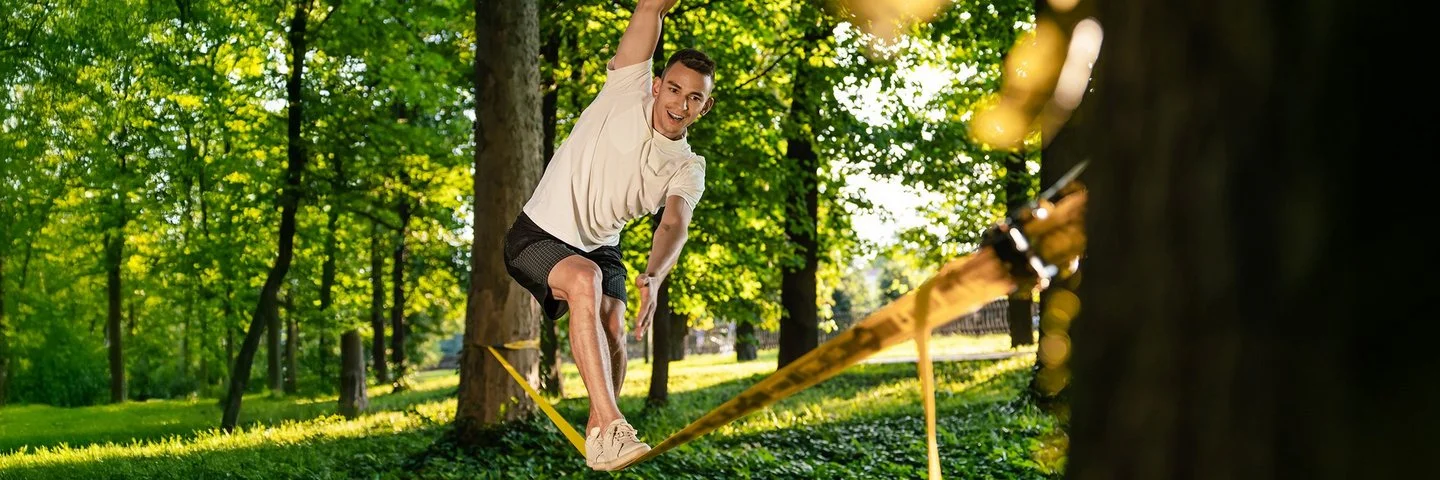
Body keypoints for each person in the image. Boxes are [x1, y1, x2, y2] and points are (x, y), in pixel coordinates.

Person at [501, 0, 715, 471]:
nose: (680, 103)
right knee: (585, 281)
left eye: (694, 97)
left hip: (601, 246)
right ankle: (615, 425)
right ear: (657, 85)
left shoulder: (687, 167)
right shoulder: (625, 88)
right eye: (674, 90)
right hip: (536, 235)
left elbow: (674, 223)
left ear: (704, 105)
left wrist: (655, 275)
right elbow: (650, 9)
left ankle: (600, 431)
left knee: (615, 328)